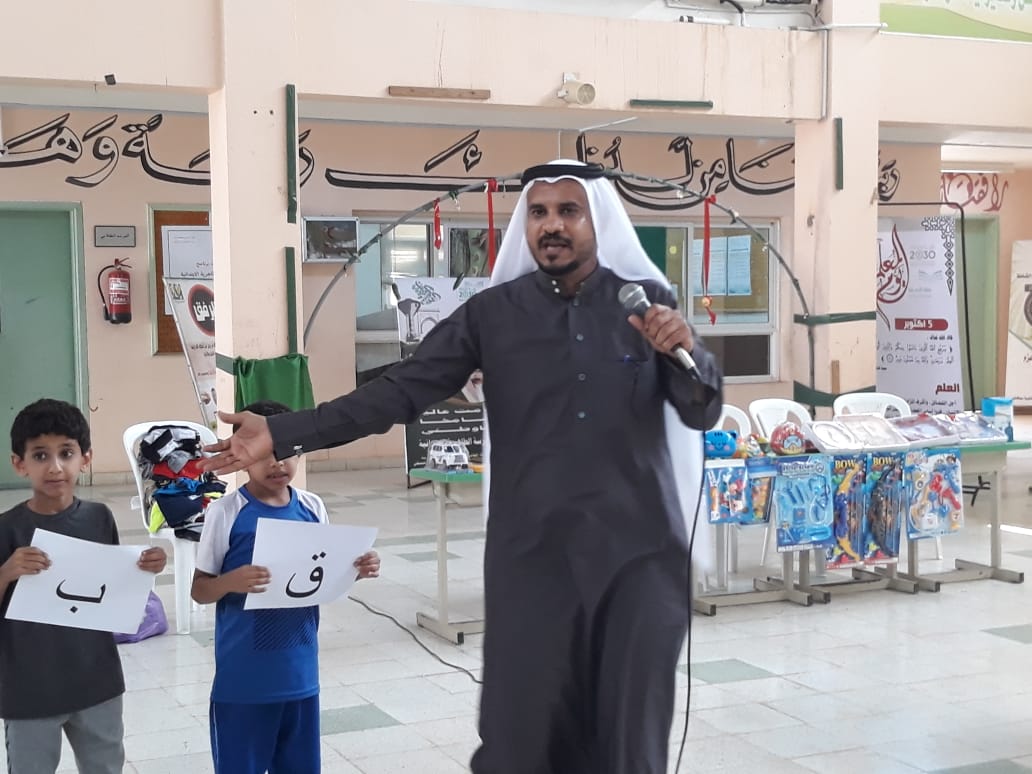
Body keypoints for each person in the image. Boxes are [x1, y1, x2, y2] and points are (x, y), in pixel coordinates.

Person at [200, 160, 724, 774]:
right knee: (519, 739)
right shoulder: (492, 315)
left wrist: (687, 350)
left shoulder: (647, 307)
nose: (552, 225)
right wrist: (284, 432)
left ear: (597, 221)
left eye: (568, 211)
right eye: (539, 212)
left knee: (628, 743)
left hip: (638, 557)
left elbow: (702, 410)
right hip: (534, 559)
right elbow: (397, 392)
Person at [191, 399, 381, 774]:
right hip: (243, 682)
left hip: (300, 677)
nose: (277, 464)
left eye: (286, 453)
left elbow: (322, 575)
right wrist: (230, 581)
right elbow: (200, 589)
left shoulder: (312, 507)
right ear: (243, 456)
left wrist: (357, 569)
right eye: (265, 455)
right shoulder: (226, 513)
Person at [0, 398, 168, 774]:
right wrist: (6, 573)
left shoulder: (98, 517)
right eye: (40, 455)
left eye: (66, 453)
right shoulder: (7, 528)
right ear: (19, 464)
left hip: (97, 681)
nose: (55, 467)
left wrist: (146, 567)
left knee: (105, 766)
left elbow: (113, 592)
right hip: (29, 688)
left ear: (85, 458)